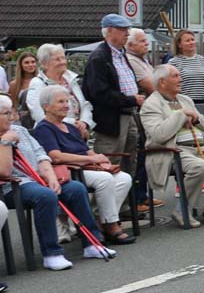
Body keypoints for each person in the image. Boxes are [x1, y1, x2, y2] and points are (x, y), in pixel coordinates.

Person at [0, 95, 116, 270]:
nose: (11, 117)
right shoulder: (8, 135)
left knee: (76, 189)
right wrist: (6, 141)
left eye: (11, 113)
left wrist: (51, 177)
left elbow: (40, 154)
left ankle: (92, 244)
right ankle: (52, 253)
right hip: (13, 185)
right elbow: (4, 172)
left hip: (39, 178)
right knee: (45, 196)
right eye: (5, 114)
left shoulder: (21, 131)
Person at [142, 65, 204, 227]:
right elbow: (158, 135)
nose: (180, 79)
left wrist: (197, 119)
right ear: (162, 82)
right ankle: (182, 209)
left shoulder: (185, 100)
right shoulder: (151, 104)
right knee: (200, 166)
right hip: (174, 152)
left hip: (201, 149)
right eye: (175, 76)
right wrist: (181, 115)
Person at [33, 86, 135, 245]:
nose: (66, 105)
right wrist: (91, 161)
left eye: (67, 101)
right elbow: (55, 156)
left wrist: (100, 159)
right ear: (46, 106)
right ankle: (112, 226)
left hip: (87, 168)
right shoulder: (43, 128)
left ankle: (101, 221)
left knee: (124, 178)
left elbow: (87, 150)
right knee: (105, 179)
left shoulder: (70, 126)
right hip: (70, 170)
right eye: (61, 102)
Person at [83, 14, 144, 179]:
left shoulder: (120, 54)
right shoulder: (99, 57)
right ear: (109, 31)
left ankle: (126, 203)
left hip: (128, 113)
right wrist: (131, 99)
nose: (127, 34)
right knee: (110, 160)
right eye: (123, 29)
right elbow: (100, 93)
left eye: (128, 30)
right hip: (111, 119)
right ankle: (105, 204)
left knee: (129, 159)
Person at [26, 44, 94, 134]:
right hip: (52, 134)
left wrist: (84, 123)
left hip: (77, 133)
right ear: (45, 64)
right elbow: (39, 114)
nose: (63, 62)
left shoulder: (70, 80)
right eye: (57, 59)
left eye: (63, 58)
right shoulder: (38, 83)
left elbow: (84, 104)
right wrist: (73, 123)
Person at [168, 30, 204, 104]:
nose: (191, 43)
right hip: (183, 103)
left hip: (202, 103)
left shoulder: (203, 60)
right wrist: (175, 107)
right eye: (187, 40)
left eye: (192, 40)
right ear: (179, 45)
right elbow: (170, 87)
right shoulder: (173, 62)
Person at [9, 51, 38, 125]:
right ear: (21, 65)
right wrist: (16, 115)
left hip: (40, 119)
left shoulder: (42, 80)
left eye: (33, 62)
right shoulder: (14, 84)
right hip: (23, 121)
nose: (30, 65)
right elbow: (12, 106)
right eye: (26, 62)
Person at [125, 29, 156, 95]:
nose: (147, 43)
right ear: (130, 45)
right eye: (142, 41)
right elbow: (152, 88)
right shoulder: (131, 61)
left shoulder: (141, 59)